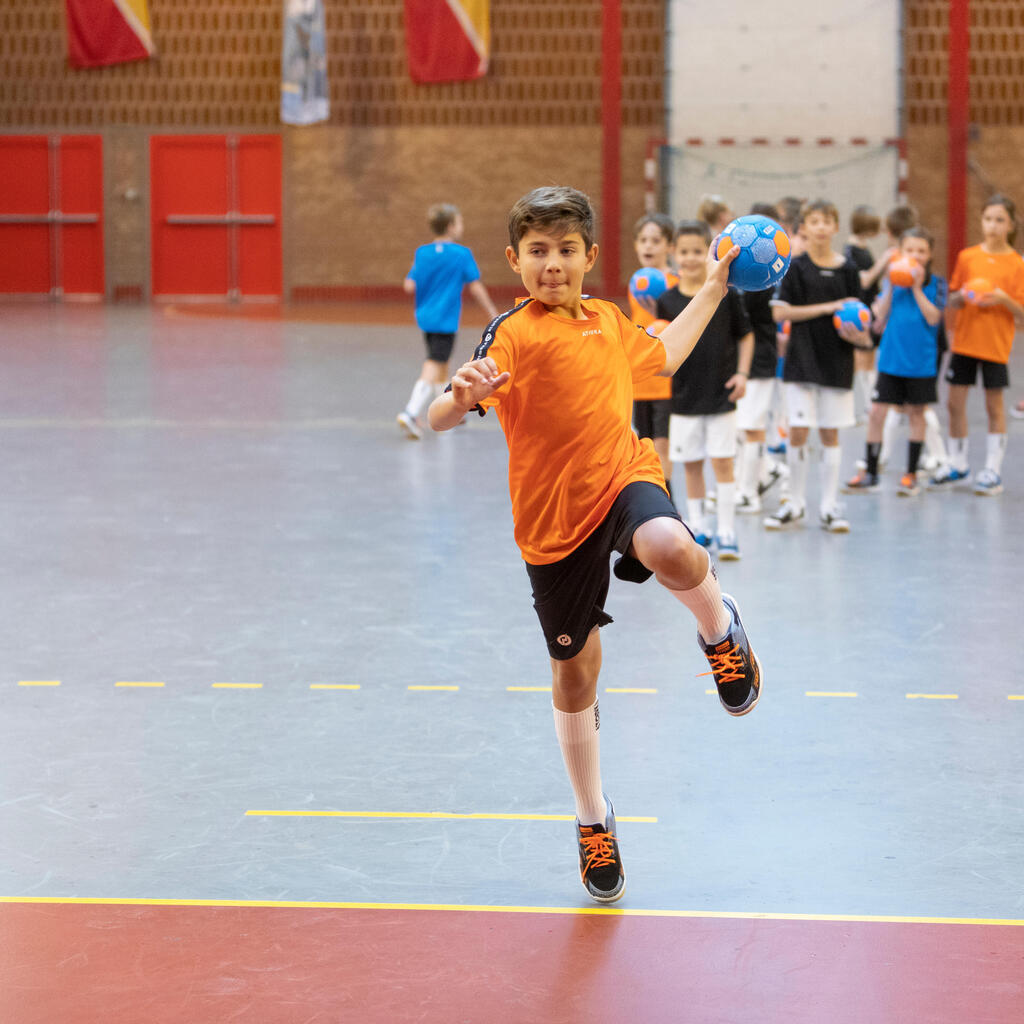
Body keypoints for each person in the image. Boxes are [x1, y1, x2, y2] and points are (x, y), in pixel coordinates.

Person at [428, 186, 762, 905]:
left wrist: (709, 288)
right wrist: (459, 394)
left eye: (566, 250)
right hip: (552, 523)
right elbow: (438, 419)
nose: (553, 264)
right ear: (516, 260)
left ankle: (718, 627)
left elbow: (663, 356)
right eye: (539, 252)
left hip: (622, 478)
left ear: (589, 256)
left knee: (670, 544)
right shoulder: (513, 334)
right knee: (576, 675)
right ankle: (592, 819)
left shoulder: (611, 321)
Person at [766, 198, 872, 532]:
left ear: (836, 227)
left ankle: (829, 507)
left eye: (827, 220)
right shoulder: (794, 267)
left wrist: (858, 334)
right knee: (798, 432)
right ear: (803, 229)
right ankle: (794, 504)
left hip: (837, 363)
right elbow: (779, 312)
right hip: (801, 362)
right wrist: (830, 307)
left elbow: (861, 321)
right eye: (814, 221)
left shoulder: (848, 270)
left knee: (830, 433)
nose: (821, 227)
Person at [657, 220, 753, 559]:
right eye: (684, 251)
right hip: (683, 398)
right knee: (692, 464)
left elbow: (746, 336)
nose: (691, 258)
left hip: (721, 395)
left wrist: (742, 374)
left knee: (723, 463)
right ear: (673, 254)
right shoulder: (666, 300)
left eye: (698, 251)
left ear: (710, 253)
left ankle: (726, 529)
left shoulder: (726, 295)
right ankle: (696, 527)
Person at [930, 194, 1024, 495]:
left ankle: (992, 471)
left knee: (993, 406)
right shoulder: (968, 257)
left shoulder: (1017, 263)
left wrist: (1003, 298)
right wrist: (962, 296)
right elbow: (955, 297)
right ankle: (958, 464)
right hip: (965, 343)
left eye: (1000, 220)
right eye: (988, 219)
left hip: (995, 345)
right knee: (954, 404)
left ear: (1011, 226)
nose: (993, 226)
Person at [844, 227, 946, 497]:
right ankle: (872, 472)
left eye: (921, 251)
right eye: (910, 250)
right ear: (901, 252)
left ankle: (910, 473)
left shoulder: (937, 284)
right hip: (890, 359)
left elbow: (934, 317)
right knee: (876, 413)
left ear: (929, 254)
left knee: (916, 414)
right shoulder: (892, 283)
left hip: (920, 362)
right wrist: (891, 286)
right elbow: (877, 315)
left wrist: (915, 287)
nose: (915, 255)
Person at [397, 203, 498, 439]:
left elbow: (409, 285)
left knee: (442, 363)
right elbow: (475, 286)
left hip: (426, 317)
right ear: (451, 226)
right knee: (434, 363)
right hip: (445, 318)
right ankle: (411, 413)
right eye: (460, 222)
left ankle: (448, 410)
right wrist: (493, 312)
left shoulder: (422, 253)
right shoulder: (462, 254)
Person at [735, 202, 789, 514]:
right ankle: (767, 470)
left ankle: (748, 493)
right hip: (739, 358)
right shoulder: (740, 268)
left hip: (762, 358)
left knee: (751, 426)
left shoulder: (770, 274)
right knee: (740, 428)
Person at [628, 213, 678, 493]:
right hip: (641, 379)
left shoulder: (676, 283)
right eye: (644, 240)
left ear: (669, 246)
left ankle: (668, 500)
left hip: (666, 380)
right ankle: (655, 497)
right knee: (646, 442)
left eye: (656, 241)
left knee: (663, 442)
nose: (649, 246)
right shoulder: (637, 283)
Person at [844, 205, 884, 422]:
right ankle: (862, 405)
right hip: (859, 310)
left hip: (871, 306)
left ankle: (871, 403)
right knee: (860, 358)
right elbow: (864, 280)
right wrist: (884, 261)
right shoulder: (851, 250)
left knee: (869, 357)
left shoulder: (863, 247)